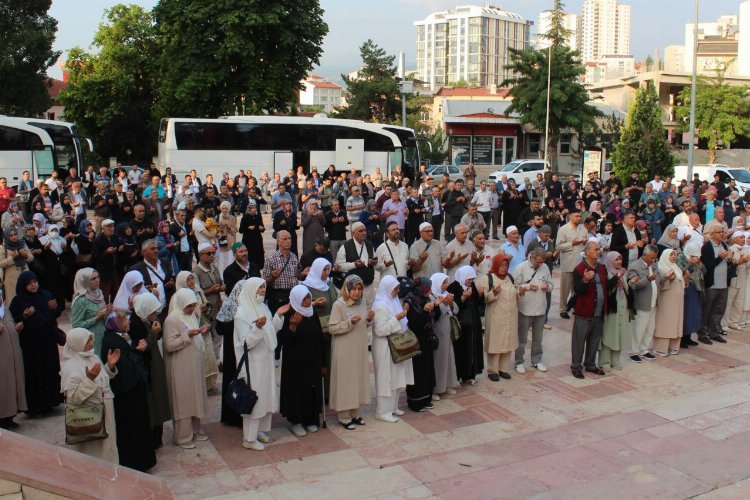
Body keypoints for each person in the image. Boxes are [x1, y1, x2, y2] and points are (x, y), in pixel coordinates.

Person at [100, 310, 157, 472]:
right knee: (131, 429)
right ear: (117, 322)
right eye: (125, 320)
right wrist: (137, 352)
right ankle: (136, 462)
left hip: (133, 393)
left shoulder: (117, 338)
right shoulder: (112, 341)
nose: (129, 323)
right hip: (127, 396)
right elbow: (123, 368)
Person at [234, 278, 283, 450]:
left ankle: (260, 431)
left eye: (263, 287)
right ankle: (249, 438)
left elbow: (271, 331)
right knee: (253, 398)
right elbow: (245, 343)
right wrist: (258, 328)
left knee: (265, 396)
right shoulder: (242, 314)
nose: (263, 290)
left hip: (265, 360)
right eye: (259, 288)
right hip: (253, 364)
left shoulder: (262, 307)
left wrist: (278, 316)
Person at [59, 328, 119, 463]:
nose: (92, 342)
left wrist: (109, 367)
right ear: (78, 343)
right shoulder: (71, 366)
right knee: (93, 456)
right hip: (89, 418)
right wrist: (89, 380)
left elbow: (101, 380)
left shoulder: (92, 357)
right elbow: (73, 397)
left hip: (105, 413)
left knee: (108, 450)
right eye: (88, 340)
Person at [162, 288, 210, 449]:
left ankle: (196, 429)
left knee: (195, 394)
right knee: (183, 398)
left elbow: (193, 333)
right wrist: (187, 336)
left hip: (194, 363)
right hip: (180, 365)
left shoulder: (191, 316)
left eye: (193, 305)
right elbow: (169, 345)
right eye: (189, 306)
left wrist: (200, 332)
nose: (191, 309)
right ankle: (183, 436)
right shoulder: (172, 320)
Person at [10, 271, 62, 415]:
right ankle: (34, 406)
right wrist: (24, 316)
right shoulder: (18, 301)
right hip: (30, 344)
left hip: (47, 342)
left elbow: (53, 315)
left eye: (35, 281)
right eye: (29, 283)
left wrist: (55, 309)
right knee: (33, 372)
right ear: (23, 285)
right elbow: (14, 320)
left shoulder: (45, 295)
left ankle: (51, 402)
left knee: (49, 369)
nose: (33, 285)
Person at [276, 285, 324, 436]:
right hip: (295, 363)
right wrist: (292, 327)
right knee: (296, 390)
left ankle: (310, 419)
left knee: (311, 389)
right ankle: (295, 421)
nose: (308, 301)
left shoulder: (312, 313)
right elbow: (282, 341)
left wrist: (323, 363)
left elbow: (320, 338)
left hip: (313, 360)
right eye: (304, 299)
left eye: (309, 297)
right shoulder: (289, 314)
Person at [328, 275, 372, 429]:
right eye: (354, 289)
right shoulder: (339, 305)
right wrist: (349, 323)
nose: (356, 292)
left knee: (357, 378)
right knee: (346, 380)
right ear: (347, 288)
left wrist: (369, 320)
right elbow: (332, 327)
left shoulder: (362, 303)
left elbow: (363, 324)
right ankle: (344, 415)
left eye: (359, 289)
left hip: (359, 347)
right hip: (344, 349)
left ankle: (355, 413)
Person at [130, 292, 171, 450]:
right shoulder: (134, 324)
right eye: (153, 312)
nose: (155, 315)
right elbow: (141, 347)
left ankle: (157, 438)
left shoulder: (147, 320)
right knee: (151, 403)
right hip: (147, 368)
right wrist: (153, 334)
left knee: (158, 399)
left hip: (155, 365)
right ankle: (151, 439)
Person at [372, 275, 413, 422]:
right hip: (384, 347)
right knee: (386, 378)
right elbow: (380, 330)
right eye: (395, 288)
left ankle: (393, 407)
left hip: (395, 345)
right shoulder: (380, 305)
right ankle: (382, 411)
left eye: (397, 288)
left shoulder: (393, 301)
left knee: (396, 376)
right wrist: (397, 319)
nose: (397, 291)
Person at [570, 241, 610, 379]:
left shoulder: (601, 267)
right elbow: (577, 289)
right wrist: (585, 280)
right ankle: (576, 366)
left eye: (599, 249)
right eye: (596, 249)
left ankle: (590, 364)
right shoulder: (579, 269)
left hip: (598, 312)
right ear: (587, 252)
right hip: (584, 312)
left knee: (594, 340)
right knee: (579, 342)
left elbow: (606, 286)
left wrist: (618, 278)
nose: (599, 252)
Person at [512, 247, 551, 374]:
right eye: (538, 262)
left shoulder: (545, 267)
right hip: (524, 308)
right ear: (532, 257)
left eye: (542, 262)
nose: (540, 264)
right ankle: (519, 362)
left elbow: (551, 284)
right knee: (522, 338)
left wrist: (548, 287)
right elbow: (515, 286)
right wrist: (528, 287)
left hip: (540, 307)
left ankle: (536, 360)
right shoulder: (520, 267)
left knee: (538, 338)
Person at [403, 278, 437, 412]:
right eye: (426, 288)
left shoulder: (425, 299)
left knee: (427, 370)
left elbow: (434, 318)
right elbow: (414, 324)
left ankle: (427, 399)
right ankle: (416, 402)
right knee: (418, 371)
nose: (429, 290)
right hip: (416, 341)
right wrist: (424, 311)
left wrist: (436, 306)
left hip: (426, 340)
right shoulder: (410, 301)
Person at [447, 266, 484, 385]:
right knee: (460, 350)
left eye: (472, 279)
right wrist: (463, 297)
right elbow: (453, 307)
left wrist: (480, 295)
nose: (470, 282)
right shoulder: (453, 287)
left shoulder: (471, 286)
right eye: (469, 279)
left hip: (473, 322)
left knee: (472, 348)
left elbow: (477, 303)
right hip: (461, 325)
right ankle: (459, 375)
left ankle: (470, 375)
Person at [627, 245, 659, 362]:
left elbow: (659, 280)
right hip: (642, 302)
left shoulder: (654, 265)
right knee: (639, 329)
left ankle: (644, 349)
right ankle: (633, 351)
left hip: (653, 302)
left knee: (650, 328)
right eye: (651, 257)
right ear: (644, 255)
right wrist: (648, 280)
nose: (653, 260)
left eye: (655, 257)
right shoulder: (635, 267)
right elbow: (635, 285)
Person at [700, 221, 731, 344]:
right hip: (711, 284)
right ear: (712, 234)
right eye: (720, 232)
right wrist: (720, 258)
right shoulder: (707, 247)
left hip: (723, 284)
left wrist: (729, 259)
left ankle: (714, 332)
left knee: (719, 310)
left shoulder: (724, 245)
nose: (722, 234)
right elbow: (707, 265)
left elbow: (727, 263)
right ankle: (702, 334)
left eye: (723, 232)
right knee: (706, 310)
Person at [429, 273, 460, 396]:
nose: (445, 285)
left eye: (446, 282)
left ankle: (448, 384)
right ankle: (436, 389)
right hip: (438, 332)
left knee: (448, 359)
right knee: (438, 361)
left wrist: (450, 303)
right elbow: (435, 313)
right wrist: (445, 303)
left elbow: (456, 310)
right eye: (443, 283)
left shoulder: (446, 294)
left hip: (447, 333)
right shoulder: (431, 296)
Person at [193, 242, 225, 359]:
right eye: (209, 253)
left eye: (213, 253)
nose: (212, 255)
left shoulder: (214, 268)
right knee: (206, 340)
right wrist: (210, 290)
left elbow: (220, 283)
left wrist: (222, 287)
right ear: (201, 255)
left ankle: (217, 361)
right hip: (204, 314)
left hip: (216, 310)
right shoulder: (196, 272)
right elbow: (195, 293)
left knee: (218, 338)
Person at [599, 252, 630, 371]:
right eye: (616, 260)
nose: (619, 262)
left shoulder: (623, 274)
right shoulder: (605, 273)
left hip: (622, 306)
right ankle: (605, 362)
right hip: (611, 309)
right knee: (609, 334)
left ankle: (615, 361)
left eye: (620, 259)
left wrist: (623, 285)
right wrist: (617, 277)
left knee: (620, 333)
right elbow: (606, 288)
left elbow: (627, 290)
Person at [0, 289, 26, 429]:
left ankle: (9, 416)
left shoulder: (5, 311)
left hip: (13, 357)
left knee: (13, 386)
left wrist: (16, 328)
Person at [71, 268, 112, 356]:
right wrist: (96, 318)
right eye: (93, 279)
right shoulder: (81, 300)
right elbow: (76, 325)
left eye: (98, 277)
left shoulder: (99, 293)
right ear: (84, 281)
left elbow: (101, 316)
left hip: (102, 335)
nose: (97, 280)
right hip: (89, 340)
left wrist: (107, 312)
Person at [652, 248, 685, 356]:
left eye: (675, 255)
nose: (673, 257)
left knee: (676, 320)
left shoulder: (676, 268)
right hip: (667, 299)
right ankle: (661, 348)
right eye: (671, 255)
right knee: (666, 322)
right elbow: (659, 284)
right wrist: (668, 279)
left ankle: (674, 346)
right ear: (666, 255)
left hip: (678, 300)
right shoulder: (661, 267)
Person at [336, 222, 377, 306]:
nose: (364, 233)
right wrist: (354, 265)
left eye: (365, 230)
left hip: (368, 287)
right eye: (360, 231)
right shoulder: (345, 247)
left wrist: (373, 262)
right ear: (353, 233)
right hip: (353, 290)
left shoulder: (369, 244)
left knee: (368, 311)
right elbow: (339, 266)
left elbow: (375, 259)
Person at [556, 211, 588, 318]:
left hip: (580, 264)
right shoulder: (563, 229)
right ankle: (563, 309)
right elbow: (558, 246)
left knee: (577, 288)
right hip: (568, 263)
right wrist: (572, 243)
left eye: (580, 216)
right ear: (570, 217)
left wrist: (585, 243)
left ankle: (576, 306)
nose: (579, 218)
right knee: (565, 288)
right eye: (576, 216)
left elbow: (587, 244)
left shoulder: (583, 229)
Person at [262, 230, 299, 314]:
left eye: (289, 238)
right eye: (285, 239)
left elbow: (297, 275)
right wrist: (273, 277)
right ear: (278, 242)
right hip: (278, 298)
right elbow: (264, 283)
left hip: (292, 296)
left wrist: (303, 273)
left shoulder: (294, 256)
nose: (288, 241)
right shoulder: (271, 259)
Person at [679, 242, 704, 348]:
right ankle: (682, 339)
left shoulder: (696, 260)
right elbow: (681, 271)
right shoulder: (680, 257)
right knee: (686, 313)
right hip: (686, 288)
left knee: (693, 313)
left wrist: (699, 265)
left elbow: (703, 272)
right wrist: (690, 264)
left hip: (695, 288)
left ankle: (688, 337)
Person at [0, 227, 33, 303]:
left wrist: (26, 256)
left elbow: (31, 258)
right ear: (6, 236)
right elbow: (1, 264)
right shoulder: (3, 248)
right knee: (14, 302)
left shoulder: (22, 243)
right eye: (11, 235)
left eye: (15, 234)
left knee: (27, 299)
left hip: (24, 273)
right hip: (11, 280)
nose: (14, 237)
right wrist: (13, 258)